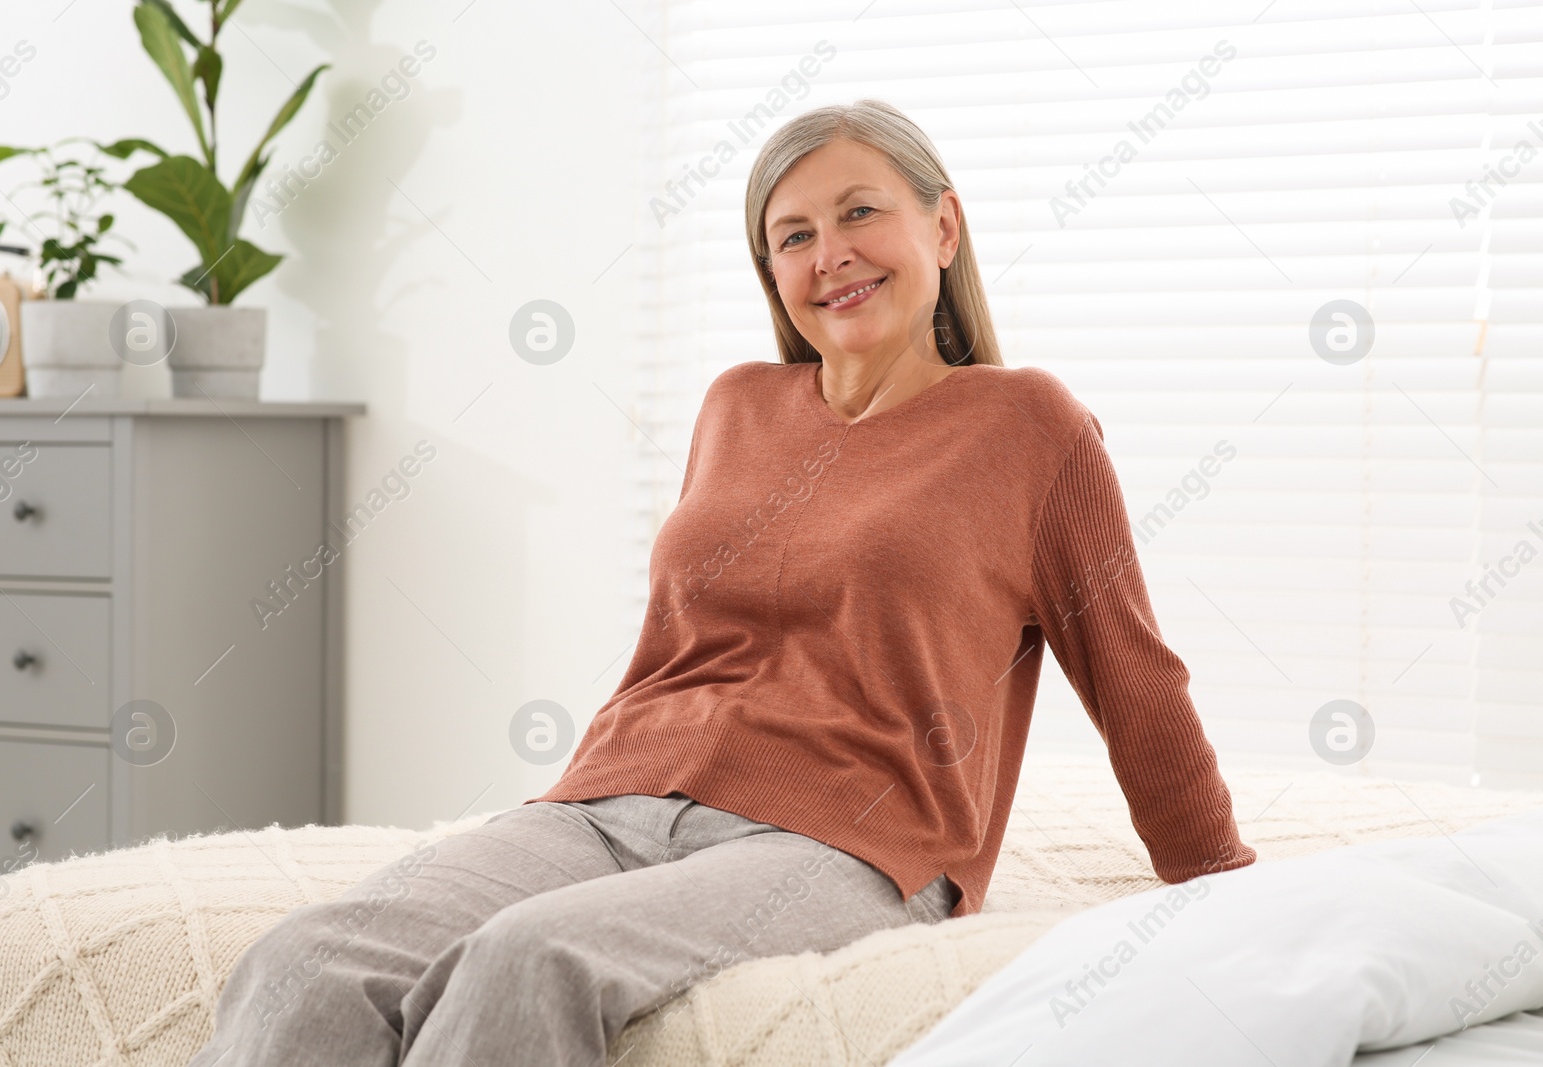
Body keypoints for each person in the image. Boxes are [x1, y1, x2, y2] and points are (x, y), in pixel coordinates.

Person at [187, 97, 1255, 1067]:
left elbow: (1133, 673)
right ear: (772, 275)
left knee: (530, 956)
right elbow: (682, 644)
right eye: (793, 236)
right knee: (304, 959)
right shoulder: (736, 404)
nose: (829, 254)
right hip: (610, 801)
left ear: (942, 227)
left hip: (842, 837)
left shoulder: (1028, 426)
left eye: (858, 213)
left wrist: (1218, 879)